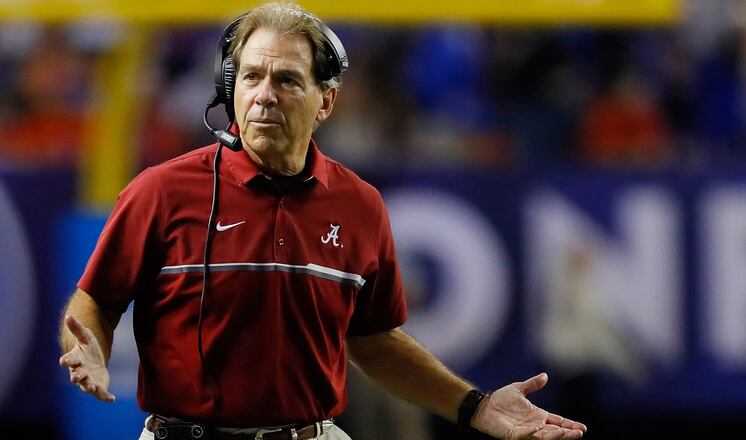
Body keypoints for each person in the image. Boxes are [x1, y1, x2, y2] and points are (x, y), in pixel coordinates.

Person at [58, 3, 588, 440]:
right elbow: (96, 300)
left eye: (287, 79)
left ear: (325, 101)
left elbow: (375, 341)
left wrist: (474, 406)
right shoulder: (161, 191)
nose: (264, 94)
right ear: (229, 88)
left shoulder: (359, 205)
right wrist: (90, 350)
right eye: (250, 77)